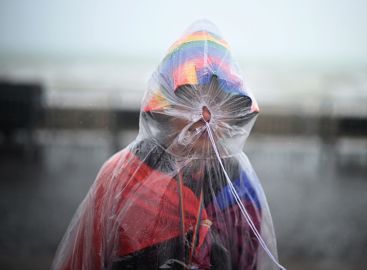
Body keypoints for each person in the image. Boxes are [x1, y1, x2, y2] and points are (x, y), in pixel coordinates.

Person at [51, 20, 284, 270]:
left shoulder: (239, 188)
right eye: (191, 97)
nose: (205, 116)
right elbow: (83, 260)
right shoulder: (122, 177)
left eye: (219, 100)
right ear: (165, 107)